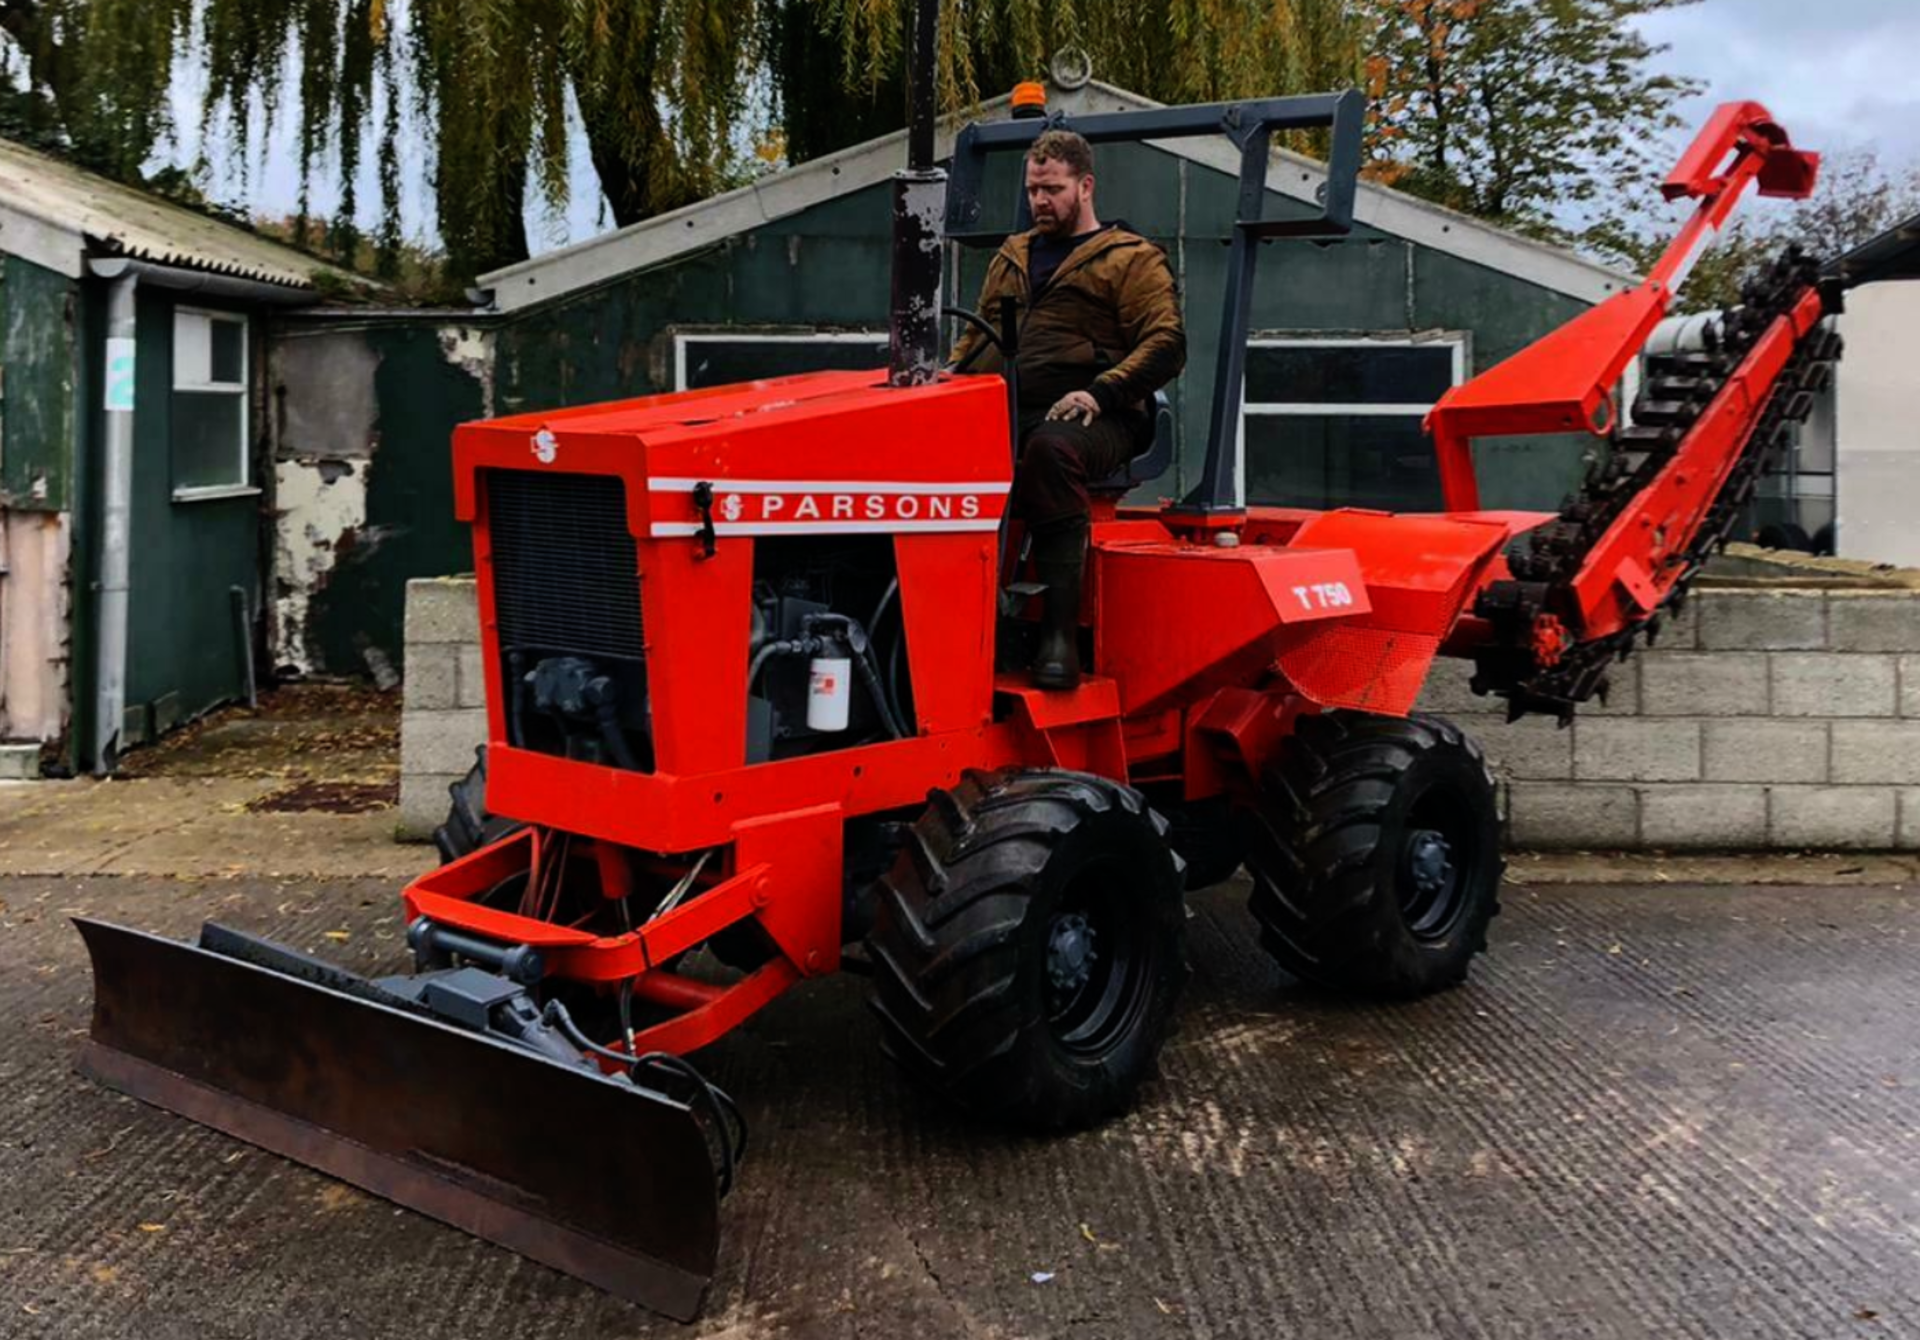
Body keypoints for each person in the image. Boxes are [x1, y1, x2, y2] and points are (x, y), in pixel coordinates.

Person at [947, 128, 1186, 690]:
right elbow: (978, 341)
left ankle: (1057, 636)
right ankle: (962, 626)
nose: (1040, 201)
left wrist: (1102, 391)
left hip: (1102, 416)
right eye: (1033, 190)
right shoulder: (1012, 258)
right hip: (1013, 410)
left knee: (1049, 450)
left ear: (1085, 186)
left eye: (1052, 189)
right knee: (934, 449)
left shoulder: (1129, 259)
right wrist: (947, 380)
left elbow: (1167, 343)